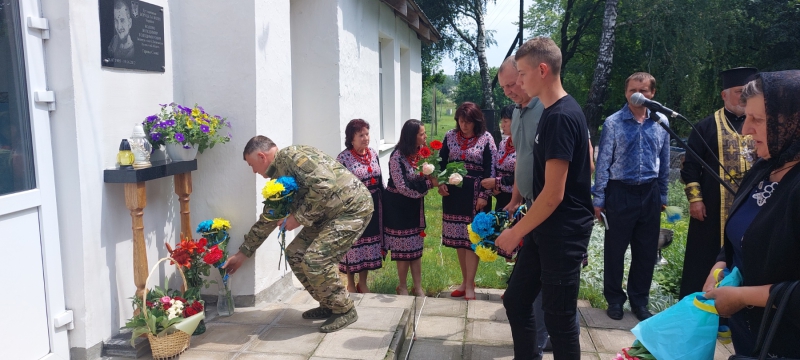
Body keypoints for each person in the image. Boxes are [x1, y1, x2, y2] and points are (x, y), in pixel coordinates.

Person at [496, 37, 593, 360]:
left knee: (559, 319)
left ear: (542, 70)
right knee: (517, 301)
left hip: (563, 233)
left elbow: (554, 194)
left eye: (522, 74)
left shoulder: (562, 116)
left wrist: (515, 232)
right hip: (545, 228)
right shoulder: (551, 114)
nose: (519, 82)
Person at [223, 136, 373, 333]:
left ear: (261, 156)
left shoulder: (294, 156)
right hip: (326, 214)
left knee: (315, 259)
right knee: (295, 253)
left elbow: (324, 184)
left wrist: (298, 218)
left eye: (252, 165)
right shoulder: (277, 178)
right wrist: (242, 254)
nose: (254, 172)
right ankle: (329, 302)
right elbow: (268, 218)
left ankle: (344, 309)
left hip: (351, 209)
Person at [704, 71, 800, 358]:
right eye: (747, 117)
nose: (746, 130)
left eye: (757, 120)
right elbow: (744, 232)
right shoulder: (764, 168)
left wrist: (744, 296)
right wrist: (721, 263)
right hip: (752, 336)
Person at [592, 72, 671, 321]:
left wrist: (663, 194)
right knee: (615, 251)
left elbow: (665, 160)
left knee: (646, 251)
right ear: (625, 93)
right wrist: (599, 199)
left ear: (652, 93)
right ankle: (615, 299)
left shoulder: (661, 121)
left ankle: (639, 301)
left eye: (644, 90)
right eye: (632, 90)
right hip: (620, 191)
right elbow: (603, 162)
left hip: (649, 192)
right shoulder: (614, 122)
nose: (638, 94)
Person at [679, 67, 759, 299]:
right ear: (724, 95)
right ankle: (701, 311)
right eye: (738, 92)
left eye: (747, 92)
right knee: (706, 260)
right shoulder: (705, 126)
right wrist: (695, 200)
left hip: (752, 206)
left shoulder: (759, 124)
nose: (743, 97)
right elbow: (690, 166)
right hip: (713, 208)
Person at [439, 102, 496, 301]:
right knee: (459, 241)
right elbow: (441, 163)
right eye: (461, 121)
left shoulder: (486, 138)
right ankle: (465, 282)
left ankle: (471, 284)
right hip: (454, 195)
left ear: (476, 121)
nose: (464, 126)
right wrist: (441, 183)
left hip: (476, 197)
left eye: (468, 122)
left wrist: (483, 195)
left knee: (472, 240)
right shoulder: (449, 137)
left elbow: (491, 169)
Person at [384, 119, 437, 296]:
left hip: (414, 207)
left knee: (415, 248)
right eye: (421, 134)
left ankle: (418, 287)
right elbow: (403, 187)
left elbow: (424, 176)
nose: (425, 137)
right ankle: (403, 287)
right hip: (398, 208)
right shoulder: (396, 156)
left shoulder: (420, 153)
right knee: (402, 250)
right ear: (411, 136)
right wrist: (429, 186)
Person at [336, 119, 384, 294]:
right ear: (351, 138)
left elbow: (380, 180)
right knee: (353, 245)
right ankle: (350, 283)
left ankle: (362, 283)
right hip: (353, 208)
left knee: (368, 245)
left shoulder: (372, 153)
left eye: (367, 134)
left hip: (373, 206)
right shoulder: (343, 158)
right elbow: (339, 186)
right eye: (360, 135)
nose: (365, 138)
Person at [482, 104, 517, 215]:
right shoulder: (503, 144)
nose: (502, 125)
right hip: (499, 196)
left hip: (516, 199)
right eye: (501, 121)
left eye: (505, 121)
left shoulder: (525, 146)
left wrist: (497, 182)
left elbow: (521, 177)